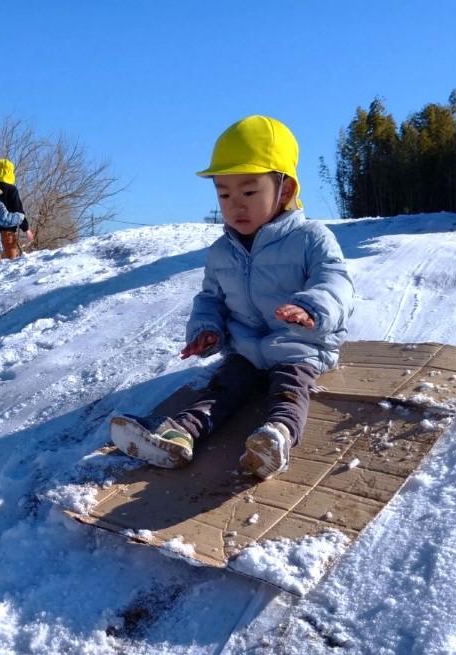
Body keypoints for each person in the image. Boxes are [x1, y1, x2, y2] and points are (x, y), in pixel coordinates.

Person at [109, 116, 353, 481]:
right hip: (245, 350)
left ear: (284, 191)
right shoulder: (221, 252)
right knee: (223, 388)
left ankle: (276, 438)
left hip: (298, 345)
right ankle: (181, 435)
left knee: (289, 387)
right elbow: (210, 298)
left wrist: (311, 308)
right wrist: (208, 328)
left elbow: (336, 281)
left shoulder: (311, 238)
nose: (235, 205)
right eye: (224, 194)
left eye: (249, 192)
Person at [0, 158, 33, 261]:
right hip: (7, 230)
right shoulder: (11, 189)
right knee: (12, 261)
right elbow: (17, 210)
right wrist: (26, 228)